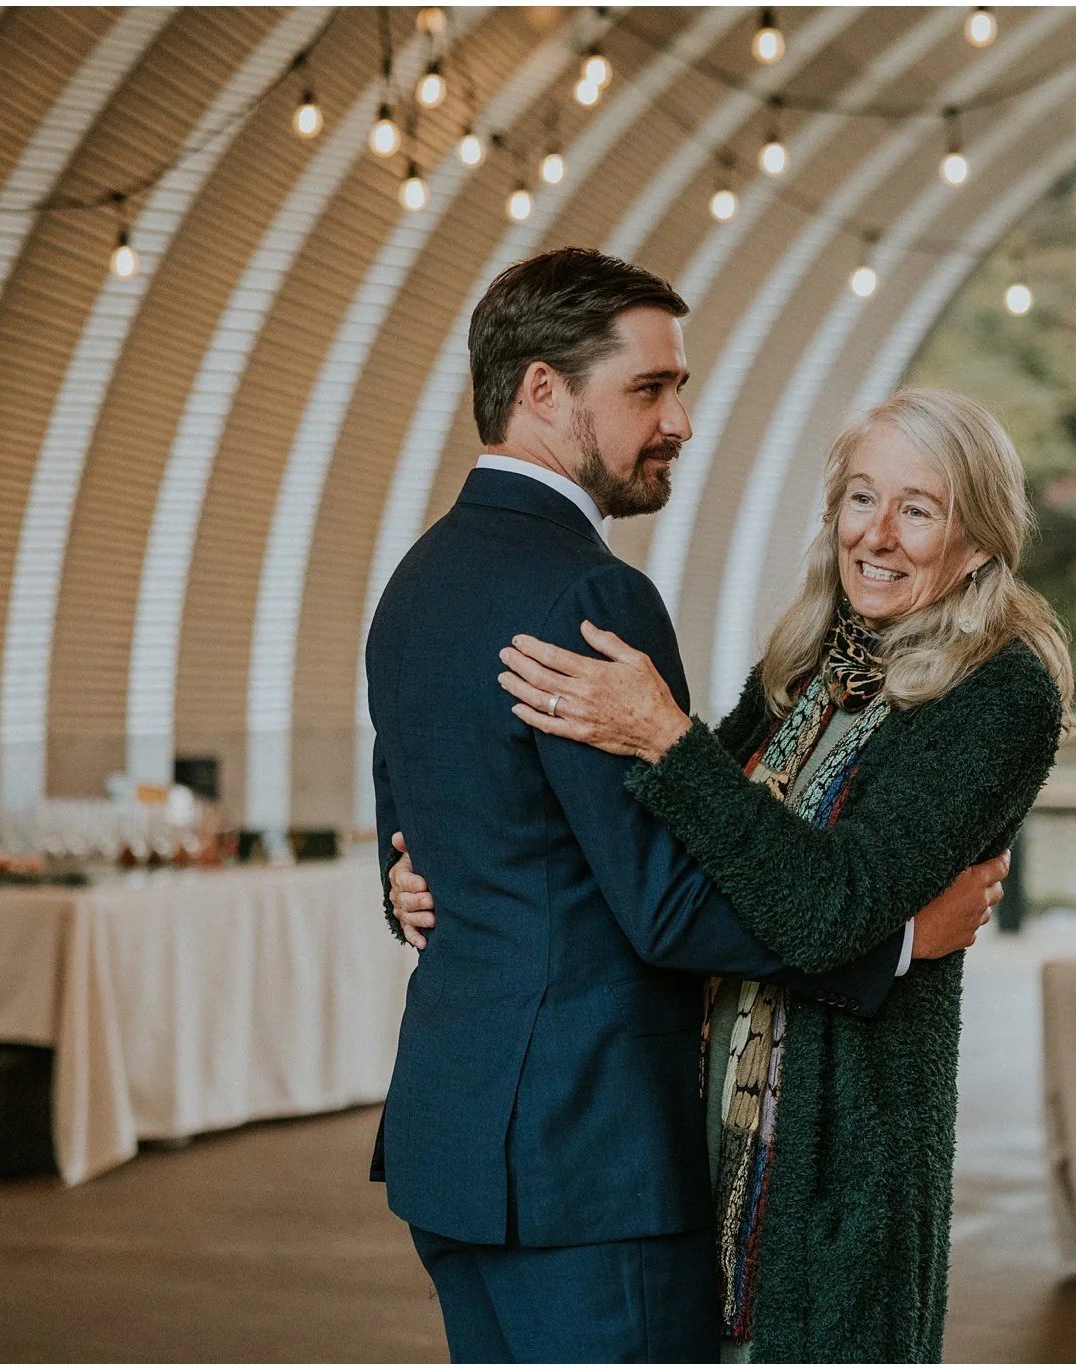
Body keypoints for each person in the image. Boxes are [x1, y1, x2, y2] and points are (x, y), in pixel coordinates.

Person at [365, 249, 1003, 1364]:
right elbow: (663, 907)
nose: (681, 423)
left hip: (451, 1137)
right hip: (588, 1158)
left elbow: (416, 822)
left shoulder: (417, 579)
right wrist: (897, 943)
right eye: (649, 389)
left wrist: (406, 886)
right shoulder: (594, 594)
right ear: (543, 389)